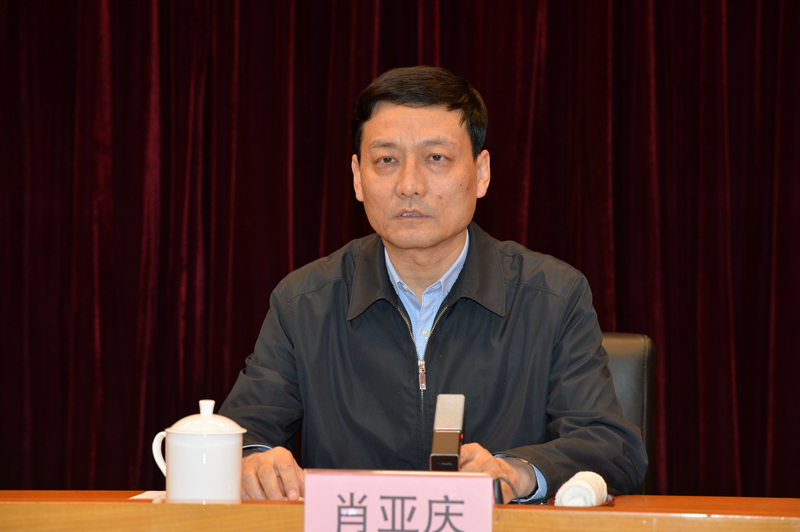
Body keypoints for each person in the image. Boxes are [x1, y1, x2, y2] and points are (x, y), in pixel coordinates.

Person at [219, 66, 647, 503]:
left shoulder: (552, 297)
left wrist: (517, 473)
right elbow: (239, 436)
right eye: (386, 160)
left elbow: (611, 448)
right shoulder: (304, 302)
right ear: (357, 177)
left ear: (481, 173)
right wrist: (251, 459)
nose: (409, 185)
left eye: (436, 158)